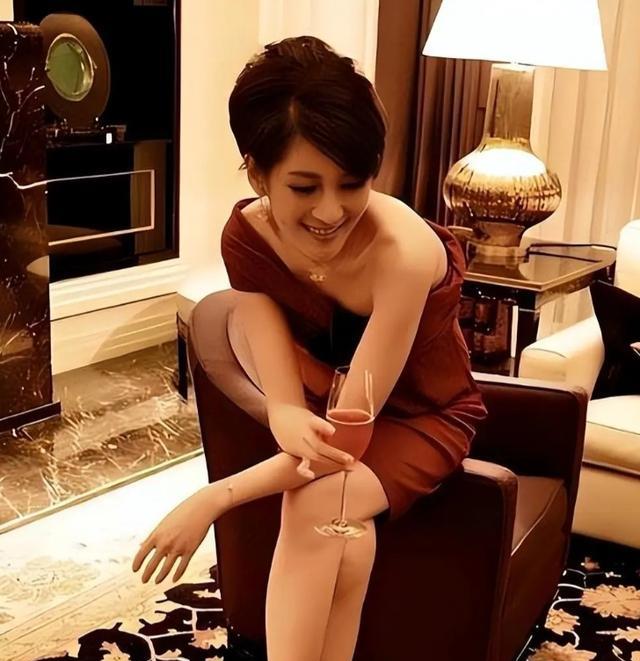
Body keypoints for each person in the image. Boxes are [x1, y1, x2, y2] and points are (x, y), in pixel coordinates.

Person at [133, 35, 487, 661]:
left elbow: (346, 438)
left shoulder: (402, 254)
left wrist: (215, 497)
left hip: (422, 417)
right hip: (330, 397)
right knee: (344, 537)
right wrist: (284, 412)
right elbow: (285, 402)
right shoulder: (248, 238)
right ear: (257, 173)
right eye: (303, 187)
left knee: (320, 500)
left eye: (352, 183)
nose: (330, 211)